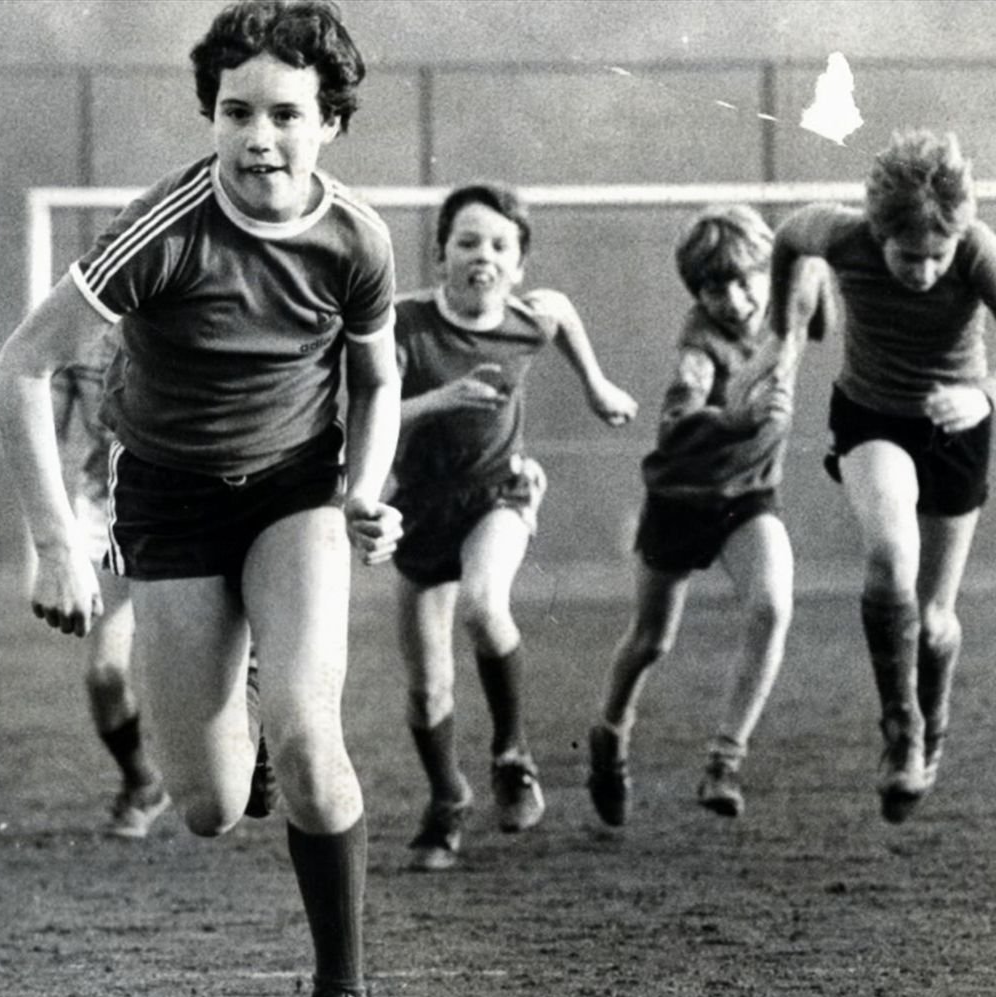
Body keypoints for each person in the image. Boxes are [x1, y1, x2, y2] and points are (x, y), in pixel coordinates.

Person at [0, 2, 400, 997]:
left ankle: (340, 985)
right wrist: (56, 545)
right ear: (210, 116)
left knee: (309, 737)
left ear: (331, 121)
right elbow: (19, 366)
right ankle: (240, 709)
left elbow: (377, 380)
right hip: (168, 504)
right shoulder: (164, 232)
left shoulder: (356, 239)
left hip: (293, 494)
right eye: (234, 112)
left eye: (285, 114)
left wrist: (366, 492)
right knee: (211, 803)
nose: (258, 137)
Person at [388, 182, 637, 870]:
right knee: (426, 687)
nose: (483, 256)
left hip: (499, 494)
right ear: (441, 254)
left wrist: (598, 387)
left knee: (483, 603)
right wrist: (441, 399)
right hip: (419, 511)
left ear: (518, 263)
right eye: (467, 242)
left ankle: (512, 755)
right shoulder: (405, 323)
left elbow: (559, 314)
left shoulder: (530, 316)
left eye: (500, 245)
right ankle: (447, 801)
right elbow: (366, 416)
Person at [766, 130, 996, 823]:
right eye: (907, 256)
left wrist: (983, 395)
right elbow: (786, 240)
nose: (923, 271)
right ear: (877, 231)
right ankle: (902, 730)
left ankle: (935, 720)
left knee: (932, 622)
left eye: (937, 257)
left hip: (959, 424)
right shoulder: (840, 234)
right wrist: (787, 328)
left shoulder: (979, 252)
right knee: (890, 558)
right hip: (873, 418)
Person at [586, 205, 837, 827]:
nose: (732, 297)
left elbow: (818, 313)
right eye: (713, 287)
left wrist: (814, 279)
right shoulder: (701, 346)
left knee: (774, 604)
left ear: (769, 272)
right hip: (680, 500)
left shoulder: (787, 300)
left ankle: (725, 760)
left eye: (745, 278)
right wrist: (737, 418)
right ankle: (609, 735)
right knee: (651, 641)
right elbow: (675, 425)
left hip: (749, 497)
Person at [52, 329, 172, 838]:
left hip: (188, 507)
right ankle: (142, 781)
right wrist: (51, 545)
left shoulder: (192, 318)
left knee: (197, 666)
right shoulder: (74, 340)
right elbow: (46, 441)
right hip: (107, 507)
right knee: (104, 674)